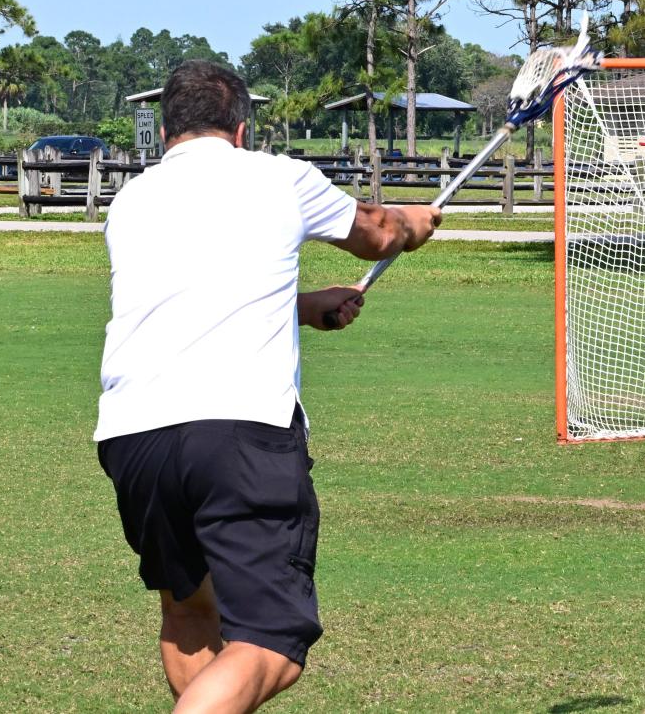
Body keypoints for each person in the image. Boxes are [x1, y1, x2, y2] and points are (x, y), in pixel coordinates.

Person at [94, 60, 441, 712]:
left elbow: (197, 295)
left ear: (166, 129)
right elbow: (379, 233)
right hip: (239, 430)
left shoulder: (133, 199)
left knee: (189, 607)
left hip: (132, 433)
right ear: (243, 128)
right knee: (272, 639)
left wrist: (305, 306)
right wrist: (415, 224)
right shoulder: (279, 176)